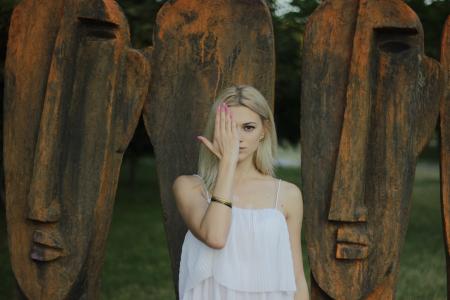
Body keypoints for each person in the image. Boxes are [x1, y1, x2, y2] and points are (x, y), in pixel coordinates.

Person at [172, 85, 309, 299]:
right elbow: (215, 237)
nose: (237, 138)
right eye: (229, 127)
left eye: (248, 127)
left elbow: (297, 278)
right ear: (216, 130)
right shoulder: (190, 187)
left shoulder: (287, 195)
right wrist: (227, 163)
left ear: (264, 130)